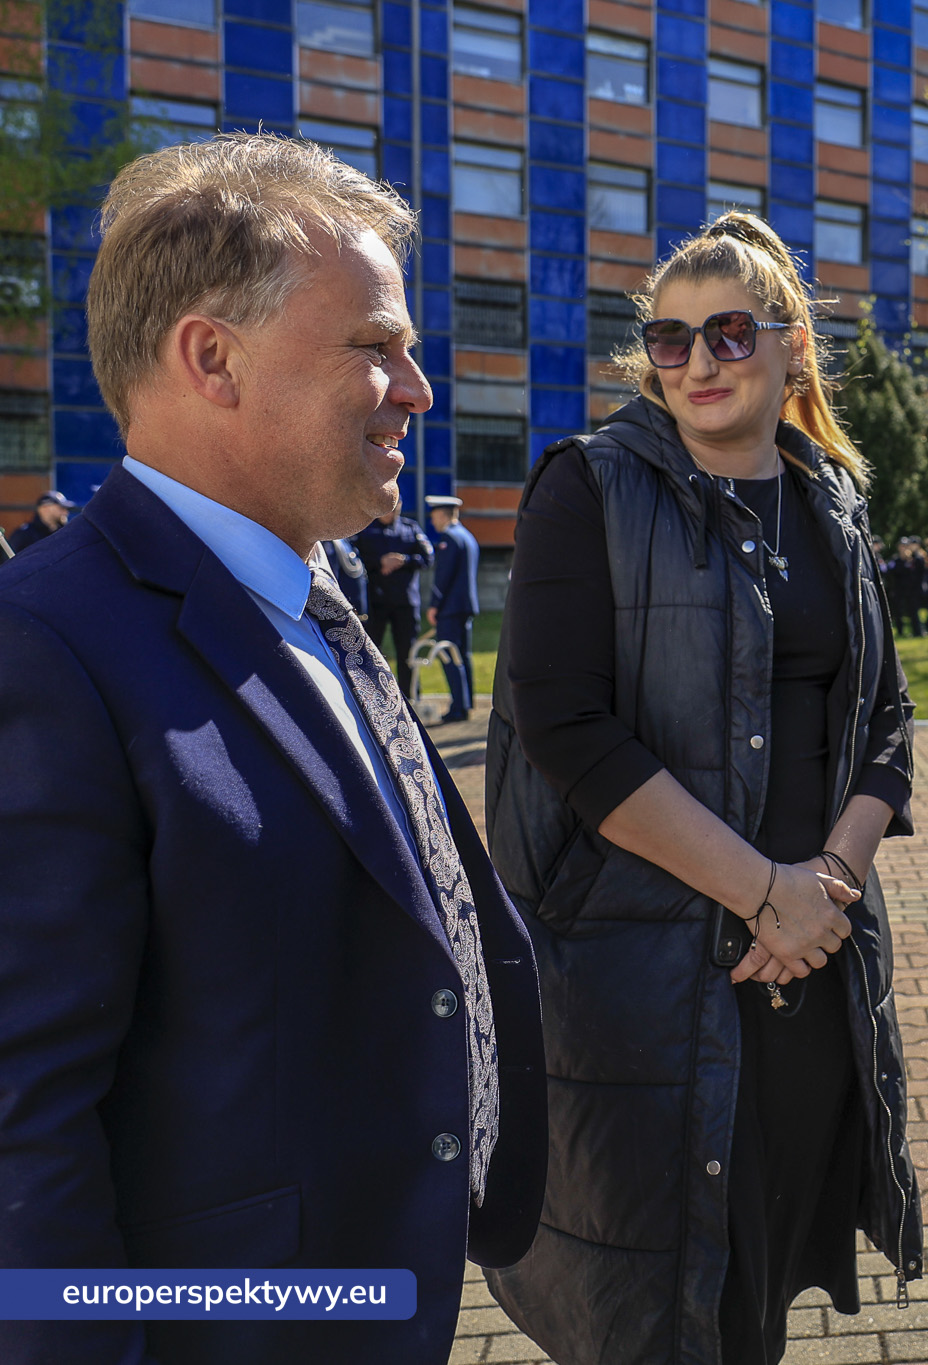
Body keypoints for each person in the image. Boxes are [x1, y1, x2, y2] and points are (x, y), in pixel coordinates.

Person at [0, 133, 544, 1364]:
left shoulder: (308, 592)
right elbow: (21, 1138)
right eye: (376, 346)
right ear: (212, 357)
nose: (417, 388)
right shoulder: (45, 650)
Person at [485, 211, 923, 1365]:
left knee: (758, 1285)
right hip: (648, 971)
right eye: (668, 340)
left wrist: (823, 884)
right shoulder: (587, 487)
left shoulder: (832, 502)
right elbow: (564, 729)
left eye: (729, 334)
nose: (696, 362)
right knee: (661, 1308)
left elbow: (886, 717)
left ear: (792, 352)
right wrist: (760, 892)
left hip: (808, 965)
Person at [356, 503, 434, 698]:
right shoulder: (366, 530)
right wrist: (379, 562)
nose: (391, 513)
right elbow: (354, 559)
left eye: (396, 509)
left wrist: (404, 560)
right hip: (377, 602)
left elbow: (428, 557)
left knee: (407, 651)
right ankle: (374, 695)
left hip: (405, 602)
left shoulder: (411, 528)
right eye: (388, 509)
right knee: (372, 650)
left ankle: (411, 695)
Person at [427, 493, 480, 724]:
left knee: (449, 657)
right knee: (463, 656)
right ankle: (466, 703)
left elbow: (443, 577)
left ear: (442, 514)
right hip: (466, 605)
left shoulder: (449, 538)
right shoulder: (467, 536)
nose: (433, 522)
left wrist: (434, 605)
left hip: (449, 607)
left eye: (434, 516)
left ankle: (458, 707)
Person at [317, 533, 372, 616]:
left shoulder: (345, 539)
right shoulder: (328, 541)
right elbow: (331, 578)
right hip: (344, 608)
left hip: (357, 604)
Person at [7, 489, 77, 554]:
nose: (65, 512)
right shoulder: (24, 534)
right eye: (61, 508)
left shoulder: (64, 532)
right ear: (44, 508)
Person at [887, 536, 926, 637]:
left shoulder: (914, 559)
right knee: (898, 612)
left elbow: (919, 572)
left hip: (911, 590)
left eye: (905, 546)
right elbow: (891, 571)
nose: (903, 548)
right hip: (899, 589)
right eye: (902, 546)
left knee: (913, 611)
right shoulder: (895, 559)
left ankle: (917, 631)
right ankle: (900, 632)